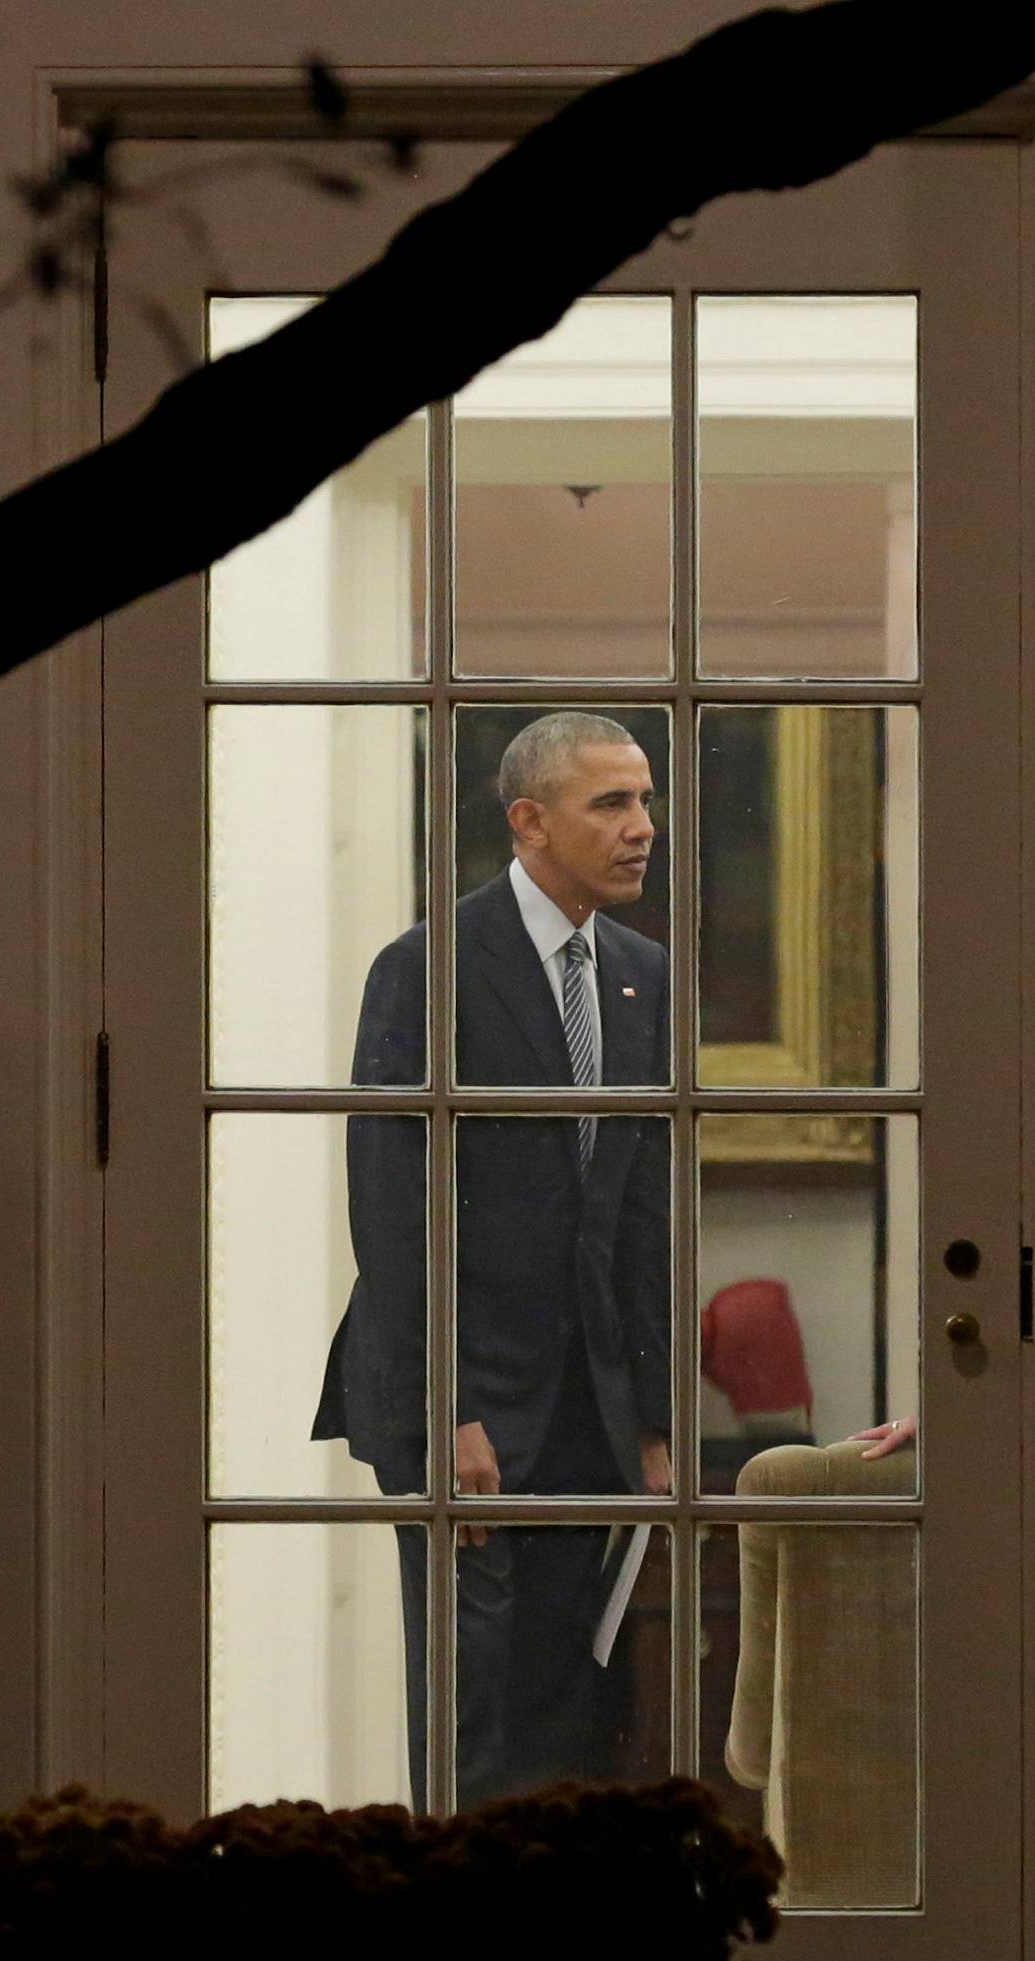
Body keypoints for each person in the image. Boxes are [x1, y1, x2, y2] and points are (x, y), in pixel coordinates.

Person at [312, 711, 671, 1808]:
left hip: (587, 1400)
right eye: (610, 804)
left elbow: (643, 1208)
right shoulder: (428, 965)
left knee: (569, 1698)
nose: (641, 827)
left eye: (645, 800)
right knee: (468, 1701)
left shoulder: (641, 973)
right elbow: (392, 1204)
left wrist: (655, 1420)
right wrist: (449, 1402)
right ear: (529, 821)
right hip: (458, 1392)